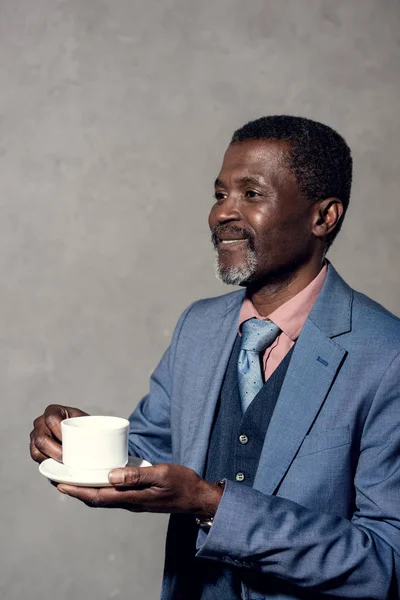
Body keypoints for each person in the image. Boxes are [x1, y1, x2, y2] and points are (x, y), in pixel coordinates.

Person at [30, 115, 400, 600]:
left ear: (323, 217)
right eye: (219, 194)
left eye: (251, 194)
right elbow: (153, 449)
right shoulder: (198, 327)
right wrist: (78, 443)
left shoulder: (386, 355)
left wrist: (214, 506)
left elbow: (387, 562)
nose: (222, 213)